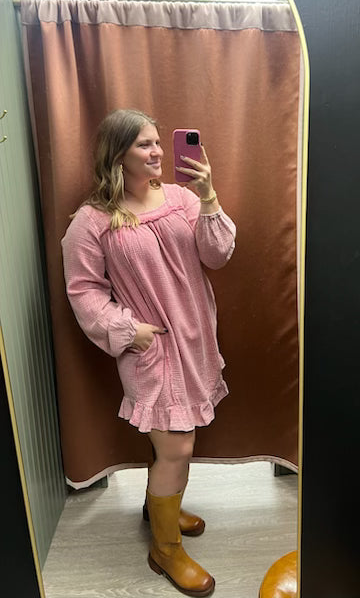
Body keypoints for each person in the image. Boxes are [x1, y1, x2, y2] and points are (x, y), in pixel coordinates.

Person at [61, 108, 236, 597]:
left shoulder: (182, 199)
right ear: (118, 154)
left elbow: (217, 254)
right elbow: (83, 291)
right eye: (145, 144)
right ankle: (165, 548)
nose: (158, 151)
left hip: (195, 341)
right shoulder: (92, 221)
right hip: (150, 349)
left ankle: (159, 508)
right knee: (177, 446)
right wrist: (126, 330)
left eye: (159, 142)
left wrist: (208, 196)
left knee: (177, 445)